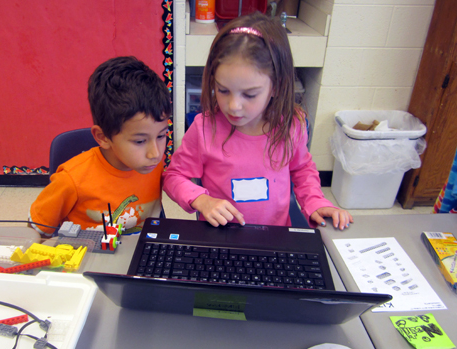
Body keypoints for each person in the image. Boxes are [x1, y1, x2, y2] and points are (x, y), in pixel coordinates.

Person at [163, 12, 352, 230]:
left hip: (274, 236)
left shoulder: (291, 125)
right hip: (220, 238)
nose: (233, 106)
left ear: (277, 86)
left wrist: (315, 201)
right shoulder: (205, 128)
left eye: (250, 94)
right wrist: (202, 200)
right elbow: (174, 177)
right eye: (223, 90)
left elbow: (302, 170)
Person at [30, 56, 171, 236]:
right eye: (140, 141)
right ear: (103, 137)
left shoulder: (153, 165)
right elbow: (36, 230)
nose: (155, 153)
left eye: (161, 135)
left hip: (143, 255)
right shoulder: (71, 180)